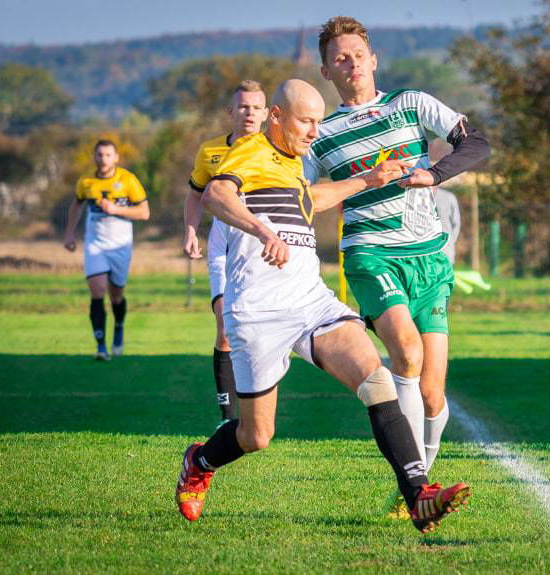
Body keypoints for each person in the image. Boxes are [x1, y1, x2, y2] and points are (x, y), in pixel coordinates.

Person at [174, 79, 471, 533]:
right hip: (257, 310)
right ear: (276, 116)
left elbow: (309, 200)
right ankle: (200, 460)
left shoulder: (294, 164)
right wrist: (262, 232)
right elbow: (217, 195)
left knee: (376, 378)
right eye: (306, 121)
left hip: (309, 300)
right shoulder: (251, 152)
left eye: (318, 121)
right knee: (256, 436)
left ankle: (419, 495)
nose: (315, 131)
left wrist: (365, 181)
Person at [304, 16, 490, 517]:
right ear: (326, 70)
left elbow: (476, 143)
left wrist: (432, 174)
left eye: (358, 54)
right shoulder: (321, 135)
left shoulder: (409, 104)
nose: (352, 63)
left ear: (374, 59)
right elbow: (309, 199)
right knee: (405, 355)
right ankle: (419, 489)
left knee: (432, 394)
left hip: (429, 257)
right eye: (340, 58)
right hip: (370, 252)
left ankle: (412, 488)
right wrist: (365, 180)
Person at [183, 80, 269, 426]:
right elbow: (195, 194)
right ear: (231, 112)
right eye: (243, 107)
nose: (249, 113)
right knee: (224, 328)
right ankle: (227, 417)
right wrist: (190, 229)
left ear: (267, 113)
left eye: (256, 107)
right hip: (224, 243)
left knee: (259, 331)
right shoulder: (211, 151)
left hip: (263, 246)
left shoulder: (277, 149)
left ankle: (258, 406)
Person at [63, 140, 150, 360]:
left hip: (120, 245)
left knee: (116, 295)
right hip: (95, 244)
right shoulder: (86, 182)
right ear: (94, 157)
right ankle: (101, 347)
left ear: (116, 157)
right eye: (100, 155)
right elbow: (76, 204)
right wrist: (70, 233)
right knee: (97, 289)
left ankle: (119, 324)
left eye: (108, 155)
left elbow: (144, 212)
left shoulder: (128, 180)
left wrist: (116, 209)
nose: (103, 159)